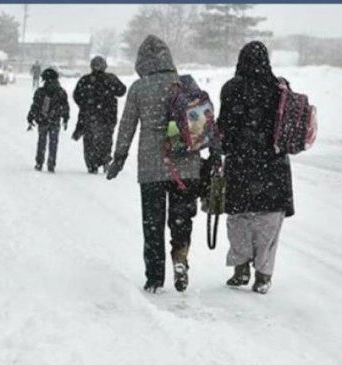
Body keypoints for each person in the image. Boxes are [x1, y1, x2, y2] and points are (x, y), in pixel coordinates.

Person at [106, 35, 200, 293]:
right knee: (181, 218)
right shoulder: (184, 84)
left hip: (151, 167)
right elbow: (200, 123)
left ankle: (155, 277)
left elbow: (127, 126)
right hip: (186, 165)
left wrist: (118, 159)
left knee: (153, 223)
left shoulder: (139, 88)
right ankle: (180, 257)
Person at [217, 41, 294, 294]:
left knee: (239, 217)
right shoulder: (279, 89)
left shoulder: (231, 89)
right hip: (273, 166)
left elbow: (224, 128)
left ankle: (240, 268)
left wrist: (225, 149)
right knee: (269, 220)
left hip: (241, 163)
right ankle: (263, 274)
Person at [73, 56, 127, 174]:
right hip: (108, 116)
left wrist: (85, 105)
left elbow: (76, 95)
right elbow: (122, 91)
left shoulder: (85, 80)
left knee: (89, 141)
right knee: (106, 139)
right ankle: (105, 158)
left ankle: (92, 164)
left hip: (89, 115)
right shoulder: (110, 78)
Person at [26, 67, 70, 173]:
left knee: (42, 142)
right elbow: (65, 106)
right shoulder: (61, 92)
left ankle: (39, 162)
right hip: (55, 121)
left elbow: (35, 106)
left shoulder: (41, 91)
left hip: (43, 120)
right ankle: (51, 163)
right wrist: (65, 118)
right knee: (53, 143)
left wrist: (30, 117)